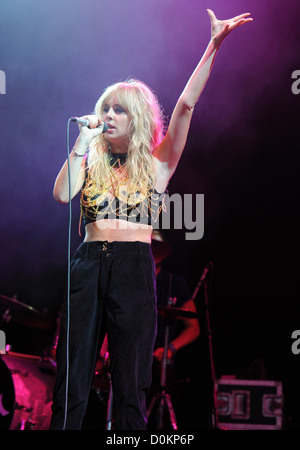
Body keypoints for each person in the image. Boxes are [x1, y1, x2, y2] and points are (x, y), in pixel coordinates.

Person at [49, 10, 252, 430]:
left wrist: (213, 46)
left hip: (132, 268)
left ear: (137, 117)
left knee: (130, 386)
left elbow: (186, 105)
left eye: (117, 110)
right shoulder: (90, 159)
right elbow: (62, 194)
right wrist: (81, 145)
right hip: (87, 266)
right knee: (70, 384)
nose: (107, 116)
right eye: (104, 108)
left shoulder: (158, 165)